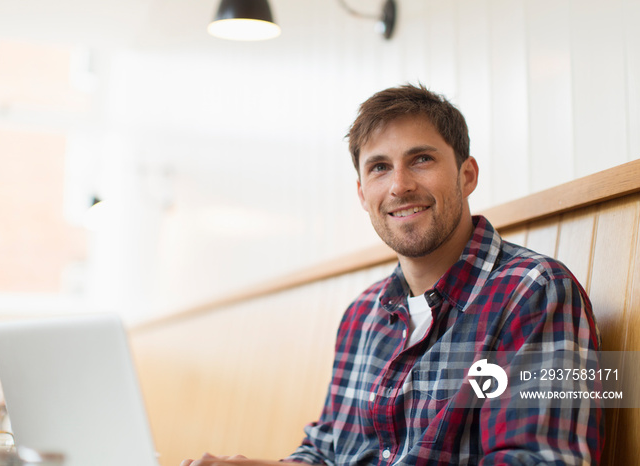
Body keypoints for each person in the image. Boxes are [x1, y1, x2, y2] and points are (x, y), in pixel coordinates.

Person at [181, 84, 603, 466]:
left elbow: (542, 461)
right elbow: (326, 451)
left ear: (467, 174)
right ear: (363, 194)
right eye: (379, 167)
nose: (399, 185)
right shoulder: (362, 314)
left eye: (421, 159)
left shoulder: (534, 292)